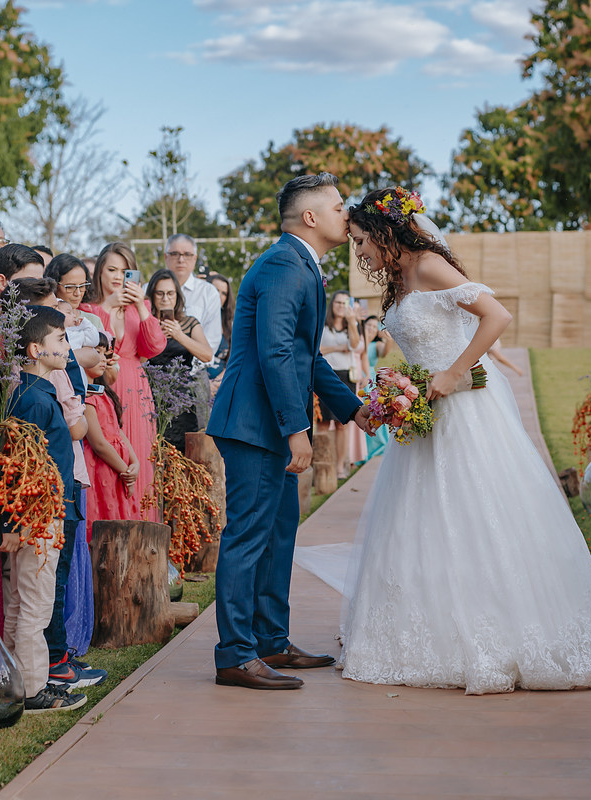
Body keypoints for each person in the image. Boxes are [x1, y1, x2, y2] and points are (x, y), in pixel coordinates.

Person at [340, 187, 591, 693]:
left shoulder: (428, 266)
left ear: (383, 231)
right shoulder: (397, 280)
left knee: (475, 513)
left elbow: (497, 316)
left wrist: (455, 372)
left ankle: (500, 634)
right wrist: (401, 390)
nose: (359, 253)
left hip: (464, 410)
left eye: (361, 241)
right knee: (422, 522)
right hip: (424, 415)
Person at [206, 173, 368, 690]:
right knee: (248, 536)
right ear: (311, 217)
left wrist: (355, 410)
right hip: (255, 424)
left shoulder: (301, 265)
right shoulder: (282, 265)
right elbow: (275, 351)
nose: (349, 214)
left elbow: (305, 355)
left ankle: (272, 641)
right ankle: (235, 655)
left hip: (269, 421)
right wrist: (298, 430)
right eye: (340, 206)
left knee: (278, 536)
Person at [4, 304, 90, 712]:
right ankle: (33, 690)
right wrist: (20, 520)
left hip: (36, 514)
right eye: (59, 339)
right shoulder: (34, 400)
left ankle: (19, 681)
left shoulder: (34, 392)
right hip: (39, 515)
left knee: (22, 602)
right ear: (36, 349)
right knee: (34, 605)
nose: (67, 346)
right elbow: (28, 466)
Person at [81, 243, 166, 518]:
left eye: (125, 271)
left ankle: (142, 531)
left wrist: (141, 307)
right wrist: (106, 306)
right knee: (107, 462)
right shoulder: (88, 308)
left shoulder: (140, 309)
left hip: (137, 390)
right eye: (112, 269)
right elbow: (93, 343)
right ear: (99, 272)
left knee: (139, 457)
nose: (118, 276)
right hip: (104, 389)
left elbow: (154, 348)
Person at [146, 268, 214, 451]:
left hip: (183, 401)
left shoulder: (189, 323)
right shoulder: (144, 323)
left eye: (170, 293)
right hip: (151, 400)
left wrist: (178, 335)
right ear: (151, 295)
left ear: (178, 295)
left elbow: (207, 354)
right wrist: (154, 333)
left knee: (184, 458)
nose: (165, 298)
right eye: (159, 293)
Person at [82, 333, 142, 534]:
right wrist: (126, 471)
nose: (102, 359)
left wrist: (135, 463)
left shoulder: (103, 392)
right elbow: (98, 443)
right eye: (95, 352)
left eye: (104, 353)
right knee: (104, 514)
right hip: (102, 466)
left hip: (118, 466)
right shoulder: (87, 398)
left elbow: (119, 432)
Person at [319, 289, 366, 477]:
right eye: (338, 303)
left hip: (346, 376)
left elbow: (356, 346)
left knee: (341, 423)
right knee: (322, 423)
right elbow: (318, 349)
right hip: (325, 375)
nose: (341, 307)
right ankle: (323, 467)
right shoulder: (323, 325)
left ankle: (340, 466)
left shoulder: (351, 326)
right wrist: (339, 347)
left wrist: (352, 321)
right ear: (332, 304)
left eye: (345, 303)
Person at [163, 234, 222, 358]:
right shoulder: (148, 289)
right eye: (175, 254)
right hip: (153, 370)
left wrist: (186, 371)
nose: (181, 259)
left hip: (194, 371)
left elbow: (212, 341)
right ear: (166, 257)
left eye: (187, 254)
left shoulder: (208, 292)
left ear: (195, 259)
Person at [360, 314, 392, 459]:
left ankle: (376, 445)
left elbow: (384, 352)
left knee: (372, 409)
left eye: (374, 326)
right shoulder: (358, 342)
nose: (371, 329)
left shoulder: (377, 345)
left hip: (369, 380)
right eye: (369, 326)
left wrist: (388, 338)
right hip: (356, 377)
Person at [206, 271, 234, 382]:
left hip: (221, 382)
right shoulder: (194, 318)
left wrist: (217, 382)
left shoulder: (230, 324)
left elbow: (233, 361)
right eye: (215, 290)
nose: (219, 296)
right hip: (195, 382)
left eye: (224, 293)